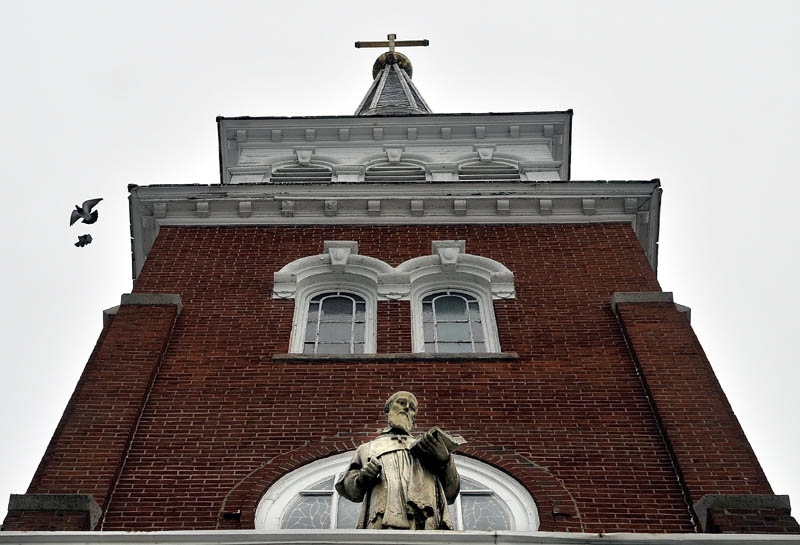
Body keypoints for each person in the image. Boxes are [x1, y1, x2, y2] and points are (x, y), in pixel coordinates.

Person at [335, 391, 461, 530]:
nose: (406, 408)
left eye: (412, 407)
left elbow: (451, 493)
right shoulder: (368, 448)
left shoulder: (429, 447)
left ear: (414, 418)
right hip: (382, 519)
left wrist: (445, 461)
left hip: (426, 521)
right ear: (387, 410)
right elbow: (350, 489)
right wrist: (362, 478)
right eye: (401, 403)